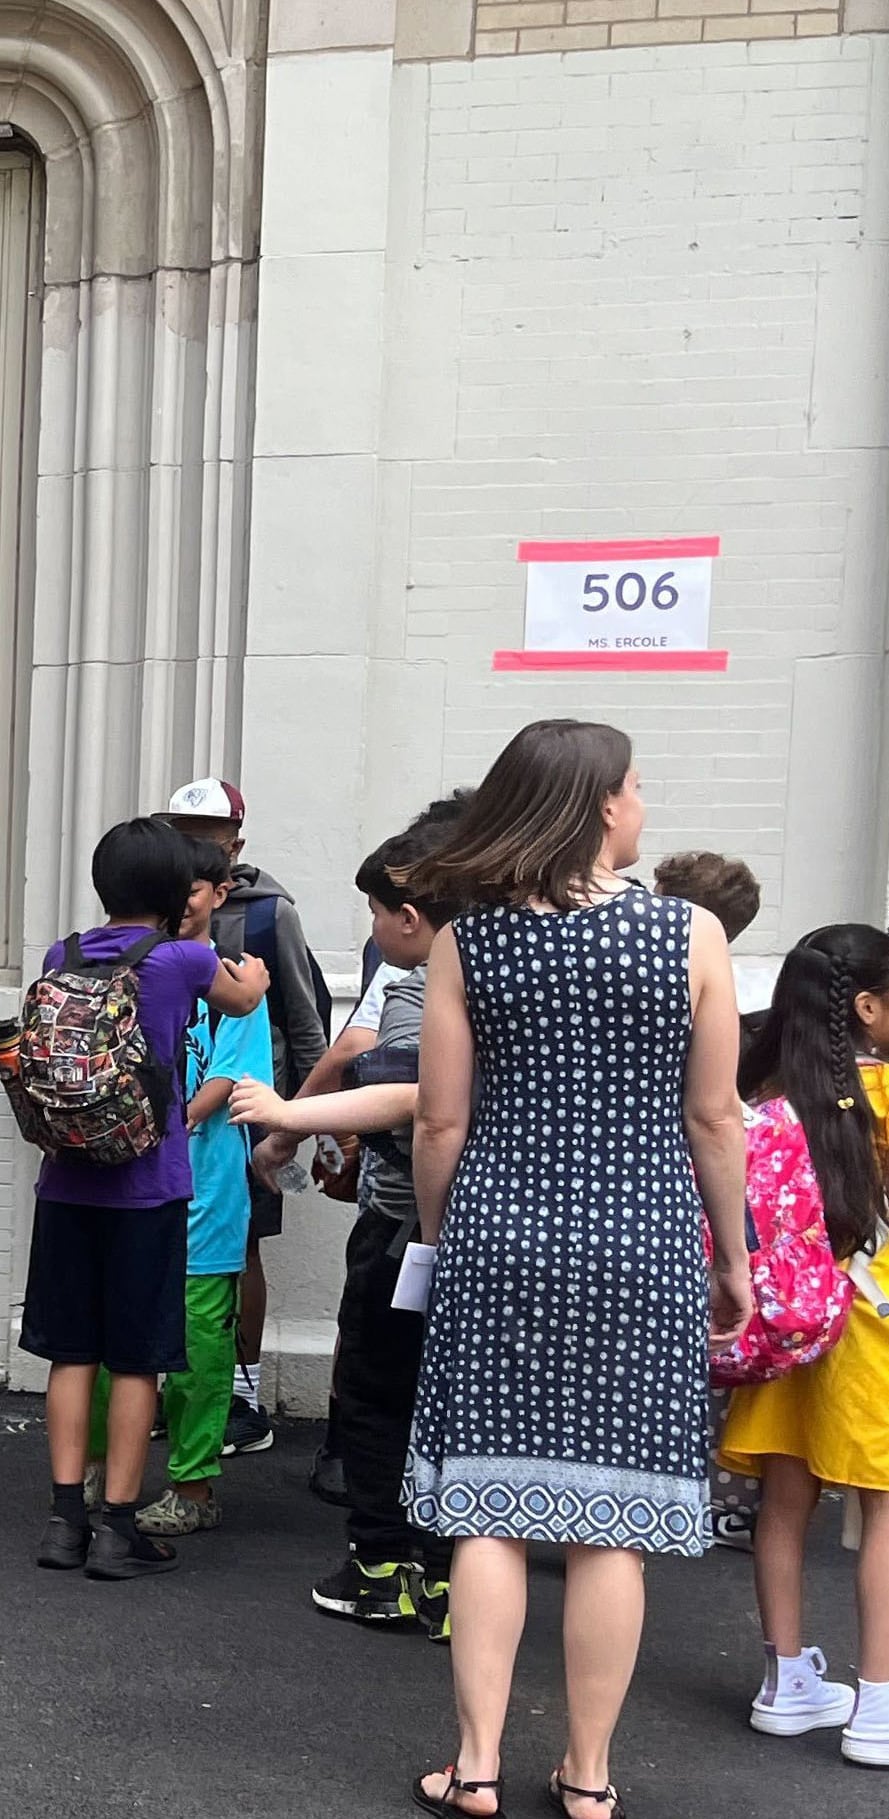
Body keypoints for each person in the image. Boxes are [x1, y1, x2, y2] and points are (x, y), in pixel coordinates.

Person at [398, 718, 751, 1819]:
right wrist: (730, 1254)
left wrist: (437, 1233)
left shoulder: (469, 940)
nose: (642, 805)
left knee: (487, 1511)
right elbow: (711, 1116)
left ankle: (475, 1764)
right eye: (636, 787)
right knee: (614, 1522)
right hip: (640, 1238)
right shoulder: (687, 933)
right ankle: (588, 1776)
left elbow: (438, 1121)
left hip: (501, 1230)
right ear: (601, 806)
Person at [21, 817, 268, 1583]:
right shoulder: (181, 959)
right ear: (171, 889)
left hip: (65, 1183)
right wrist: (252, 972)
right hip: (148, 1188)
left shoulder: (60, 955)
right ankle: (118, 1529)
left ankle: (66, 1521)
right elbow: (241, 996)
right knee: (134, 1361)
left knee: (72, 1353)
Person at [232, 809, 459, 1635]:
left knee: (374, 1392)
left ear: (406, 915)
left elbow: (412, 1099)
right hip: (491, 1231)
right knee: (454, 1403)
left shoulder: (418, 992)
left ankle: (378, 1565)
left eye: (372, 912)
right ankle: (448, 1577)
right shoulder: (524, 978)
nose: (369, 929)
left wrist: (286, 1115)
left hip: (406, 1230)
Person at [716, 924, 889, 1762]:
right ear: (865, 1007)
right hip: (873, 1331)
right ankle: (878, 1705)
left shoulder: (767, 1089)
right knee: (883, 1513)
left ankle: (785, 1681)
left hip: (787, 1318)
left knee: (783, 1507)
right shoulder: (883, 1096)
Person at [87, 841, 272, 1539]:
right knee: (113, 1349)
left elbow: (228, 1082)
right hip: (136, 1190)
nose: (186, 900)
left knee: (197, 1351)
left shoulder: (232, 986)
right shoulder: (128, 971)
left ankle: (192, 1485)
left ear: (218, 894)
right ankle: (107, 1472)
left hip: (207, 1196)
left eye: (197, 887)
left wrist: (156, 1122)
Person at [161, 777, 327, 1456]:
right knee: (168, 1247)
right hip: (170, 1110)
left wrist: (308, 1119)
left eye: (205, 835)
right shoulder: (149, 903)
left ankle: (240, 1391)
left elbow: (302, 1016)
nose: (193, 846)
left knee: (239, 1250)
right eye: (181, 832)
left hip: (247, 1109)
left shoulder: (268, 912)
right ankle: (175, 1382)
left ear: (235, 843)